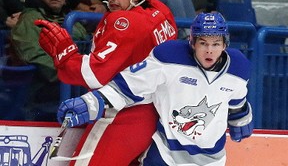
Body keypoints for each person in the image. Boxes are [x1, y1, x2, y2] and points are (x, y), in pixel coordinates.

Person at [57, 12, 254, 165]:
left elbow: (237, 101)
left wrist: (241, 119)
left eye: (215, 44)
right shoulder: (168, 58)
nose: (209, 50)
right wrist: (91, 102)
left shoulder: (239, 68)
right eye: (203, 43)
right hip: (165, 155)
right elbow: (128, 86)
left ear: (224, 45)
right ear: (192, 42)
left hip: (212, 160)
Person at [35, 0, 178, 165]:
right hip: (153, 112)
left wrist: (66, 56)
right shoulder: (159, 9)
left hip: (124, 114)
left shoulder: (126, 22)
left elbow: (95, 75)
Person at [10, 0, 87, 121]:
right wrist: (73, 71)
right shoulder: (30, 19)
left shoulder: (74, 22)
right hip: (40, 92)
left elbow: (88, 48)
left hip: (75, 88)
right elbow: (34, 55)